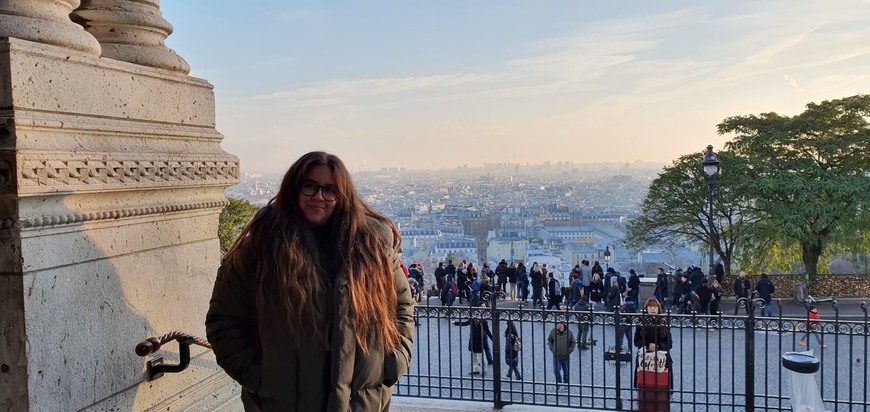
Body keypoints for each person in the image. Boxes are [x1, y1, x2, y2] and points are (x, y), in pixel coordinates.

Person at [206, 151, 414, 411]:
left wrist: (394, 361)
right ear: (294, 188)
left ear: (343, 196)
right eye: (310, 186)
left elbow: (401, 307)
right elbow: (224, 321)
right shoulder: (260, 248)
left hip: (359, 402)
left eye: (330, 190)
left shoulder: (373, 245)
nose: (319, 196)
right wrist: (261, 379)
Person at [634, 298, 673, 412]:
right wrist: (647, 345)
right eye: (650, 306)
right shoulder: (641, 321)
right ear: (646, 308)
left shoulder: (664, 321)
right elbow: (636, 342)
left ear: (658, 309)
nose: (653, 309)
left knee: (662, 390)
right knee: (644, 390)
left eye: (655, 307)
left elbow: (669, 344)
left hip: (662, 360)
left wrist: (658, 346)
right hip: (645, 359)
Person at [453, 306, 493, 375]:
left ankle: (484, 370)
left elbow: (488, 332)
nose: (478, 316)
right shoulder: (472, 320)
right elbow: (464, 324)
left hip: (480, 341)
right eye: (477, 314)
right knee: (474, 356)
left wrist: (493, 339)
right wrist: (455, 323)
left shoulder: (484, 322)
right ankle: (475, 369)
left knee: (481, 357)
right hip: (473, 341)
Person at [548, 320, 576, 392]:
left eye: (557, 324)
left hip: (565, 356)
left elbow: (573, 342)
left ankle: (566, 384)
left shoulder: (569, 333)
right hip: (556, 356)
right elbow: (550, 340)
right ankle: (559, 383)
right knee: (556, 370)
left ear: (562, 324)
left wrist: (569, 350)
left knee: (566, 371)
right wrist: (552, 349)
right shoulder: (553, 331)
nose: (556, 325)